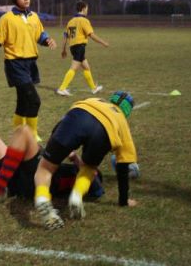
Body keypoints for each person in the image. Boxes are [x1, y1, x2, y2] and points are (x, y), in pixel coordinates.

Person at [33, 91, 138, 229]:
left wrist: (55, 146)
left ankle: (42, 198)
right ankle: (77, 196)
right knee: (89, 168)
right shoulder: (122, 122)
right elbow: (123, 165)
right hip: (104, 132)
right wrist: (123, 200)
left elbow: (63, 122)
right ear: (127, 111)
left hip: (78, 116)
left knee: (45, 168)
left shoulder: (94, 100)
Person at [0, 125, 104, 205]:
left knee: (24, 131)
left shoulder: (89, 176)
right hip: (18, 175)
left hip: (33, 182)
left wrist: (77, 160)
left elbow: (95, 185)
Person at [0, 0, 56, 142]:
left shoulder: (34, 16)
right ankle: (32, 135)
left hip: (31, 64)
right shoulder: (6, 19)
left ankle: (17, 135)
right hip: (15, 64)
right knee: (34, 100)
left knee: (23, 102)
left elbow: (39, 35)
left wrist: (47, 40)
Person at [56, 1, 108, 96]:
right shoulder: (84, 21)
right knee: (74, 68)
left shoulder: (71, 21)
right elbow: (91, 35)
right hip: (80, 47)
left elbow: (65, 36)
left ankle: (93, 88)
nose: (87, 10)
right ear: (83, 9)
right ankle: (62, 88)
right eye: (87, 8)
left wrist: (63, 50)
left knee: (86, 67)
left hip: (73, 47)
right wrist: (103, 42)